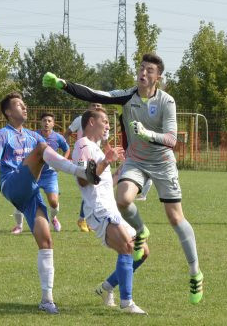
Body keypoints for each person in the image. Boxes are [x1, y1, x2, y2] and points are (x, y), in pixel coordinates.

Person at [42, 53, 204, 304]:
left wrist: (148, 134)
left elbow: (172, 140)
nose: (143, 73)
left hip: (162, 163)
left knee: (175, 217)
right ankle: (141, 230)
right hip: (136, 161)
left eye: (149, 70)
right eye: (141, 68)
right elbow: (95, 95)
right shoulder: (128, 96)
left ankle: (195, 272)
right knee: (124, 199)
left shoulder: (167, 101)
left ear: (158, 77)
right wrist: (63, 84)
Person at [0, 91, 100, 314]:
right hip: (11, 184)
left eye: (24, 104)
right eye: (18, 105)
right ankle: (81, 172)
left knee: (46, 242)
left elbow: (54, 157)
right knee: (43, 148)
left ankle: (47, 300)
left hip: (30, 193)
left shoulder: (32, 135)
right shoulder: (2, 135)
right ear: (8, 112)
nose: (24, 107)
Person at [72, 107, 149, 314]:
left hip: (111, 208)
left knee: (142, 253)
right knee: (126, 247)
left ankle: (106, 288)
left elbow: (104, 182)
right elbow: (83, 178)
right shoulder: (83, 145)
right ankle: (127, 303)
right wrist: (107, 160)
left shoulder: (95, 148)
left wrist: (121, 171)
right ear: (90, 122)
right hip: (98, 209)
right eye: (104, 121)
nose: (108, 125)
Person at [11, 112, 70, 234]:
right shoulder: (33, 135)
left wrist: (62, 161)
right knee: (21, 198)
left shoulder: (58, 137)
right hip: (32, 173)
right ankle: (19, 225)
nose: (46, 123)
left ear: (53, 123)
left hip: (50, 175)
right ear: (40, 123)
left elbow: (67, 149)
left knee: (54, 202)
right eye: (44, 120)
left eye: (49, 121)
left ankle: (54, 218)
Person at [64, 102, 102, 232]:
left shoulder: (101, 121)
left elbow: (105, 141)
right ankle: (83, 219)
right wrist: (67, 148)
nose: (96, 108)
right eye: (94, 105)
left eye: (99, 106)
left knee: (93, 188)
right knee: (87, 186)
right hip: (82, 156)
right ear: (88, 107)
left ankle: (87, 219)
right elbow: (67, 133)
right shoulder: (80, 120)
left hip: (94, 156)